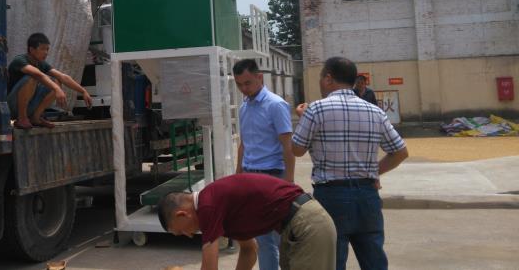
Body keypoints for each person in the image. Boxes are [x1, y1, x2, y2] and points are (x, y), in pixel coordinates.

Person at [292, 57, 409, 270]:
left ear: (328, 78)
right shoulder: (375, 112)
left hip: (331, 196)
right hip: (367, 195)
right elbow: (400, 152)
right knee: (374, 261)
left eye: (321, 78)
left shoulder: (315, 110)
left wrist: (304, 119)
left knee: (333, 261)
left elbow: (297, 150)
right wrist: (373, 172)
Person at [157, 173, 336, 270]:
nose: (188, 235)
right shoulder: (217, 209)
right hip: (297, 225)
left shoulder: (207, 206)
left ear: (182, 214)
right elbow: (249, 250)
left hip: (307, 224)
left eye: (180, 231)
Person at [232, 58, 295, 270]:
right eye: (239, 84)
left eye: (247, 83)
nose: (244, 88)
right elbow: (244, 144)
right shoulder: (244, 107)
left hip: (272, 177)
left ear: (259, 77)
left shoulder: (276, 105)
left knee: (279, 237)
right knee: (262, 238)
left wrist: (289, 182)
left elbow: (287, 145)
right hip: (250, 178)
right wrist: (238, 175)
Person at [7, 33, 92, 129]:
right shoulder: (19, 60)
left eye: (47, 49)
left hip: (29, 106)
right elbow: (38, 75)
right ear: (31, 50)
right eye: (42, 49)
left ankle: (35, 118)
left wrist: (83, 91)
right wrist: (57, 89)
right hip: (12, 106)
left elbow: (62, 77)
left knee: (56, 81)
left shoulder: (41, 63)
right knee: (32, 78)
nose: (46, 52)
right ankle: (22, 118)